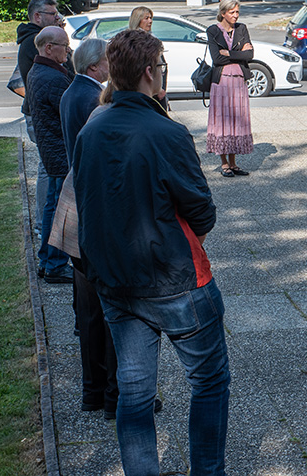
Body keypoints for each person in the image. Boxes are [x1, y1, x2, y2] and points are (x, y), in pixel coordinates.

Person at [73, 29, 228, 475]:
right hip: (172, 280)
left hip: (115, 280)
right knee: (209, 380)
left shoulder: (92, 128)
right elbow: (201, 209)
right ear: (148, 73)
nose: (162, 74)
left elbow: (88, 204)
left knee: (134, 390)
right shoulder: (166, 131)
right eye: (161, 67)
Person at [60, 38, 119, 417]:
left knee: (90, 315)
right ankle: (111, 394)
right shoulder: (93, 102)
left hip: (75, 213)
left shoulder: (74, 91)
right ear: (98, 65)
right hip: (89, 216)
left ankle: (93, 392)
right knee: (105, 314)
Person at [28, 25, 74, 283]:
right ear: (48, 48)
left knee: (52, 208)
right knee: (60, 212)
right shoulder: (52, 77)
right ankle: (54, 264)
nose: (68, 49)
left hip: (52, 151)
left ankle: (48, 260)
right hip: (59, 152)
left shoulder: (40, 71)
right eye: (64, 45)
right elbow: (69, 111)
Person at [17, 0, 65, 234]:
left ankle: (44, 223)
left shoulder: (31, 40)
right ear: (38, 16)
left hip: (37, 111)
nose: (57, 18)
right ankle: (43, 224)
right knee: (48, 168)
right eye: (52, 14)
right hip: (40, 113)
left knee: (48, 167)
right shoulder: (32, 42)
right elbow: (62, 74)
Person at [206, 0, 254, 177]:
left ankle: (234, 163)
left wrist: (230, 53)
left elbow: (249, 55)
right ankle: (224, 163)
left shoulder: (241, 29)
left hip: (239, 80)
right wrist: (238, 53)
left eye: (237, 12)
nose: (236, 15)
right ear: (223, 13)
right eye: (232, 12)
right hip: (221, 82)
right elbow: (216, 59)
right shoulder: (213, 31)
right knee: (223, 121)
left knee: (237, 120)